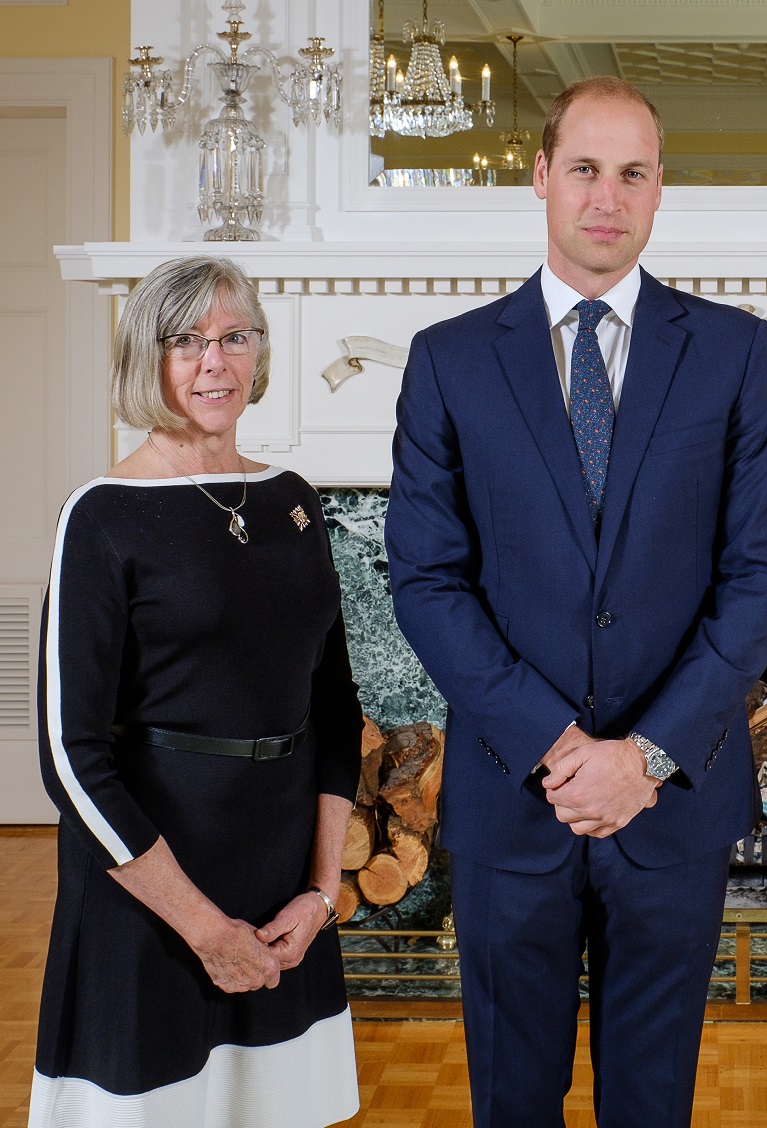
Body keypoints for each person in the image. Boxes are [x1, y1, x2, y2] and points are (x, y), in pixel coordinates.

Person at [384, 76, 767, 1128]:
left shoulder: (737, 352)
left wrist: (645, 757)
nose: (605, 197)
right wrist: (558, 746)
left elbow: (760, 574)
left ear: (660, 191)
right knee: (512, 1102)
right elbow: (427, 579)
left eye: (632, 173)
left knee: (652, 1102)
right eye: (584, 168)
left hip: (674, 806)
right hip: (508, 797)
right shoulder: (448, 361)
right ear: (539, 177)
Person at [31, 256, 363, 1127]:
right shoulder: (102, 514)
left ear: (259, 352)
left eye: (234, 337)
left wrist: (322, 893)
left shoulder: (292, 500)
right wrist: (206, 929)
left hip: (283, 882)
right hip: (155, 887)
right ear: (150, 360)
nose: (213, 362)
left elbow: (336, 709)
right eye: (186, 342)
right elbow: (69, 758)